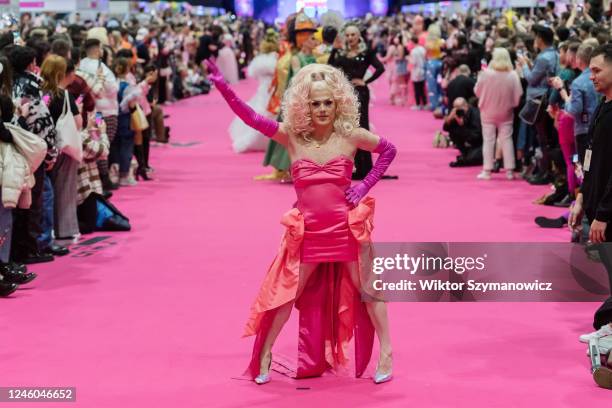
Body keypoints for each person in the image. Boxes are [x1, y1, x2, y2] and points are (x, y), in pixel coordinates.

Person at [206, 59, 396, 385]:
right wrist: (224, 87)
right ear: (305, 105)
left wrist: (364, 185)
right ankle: (265, 353)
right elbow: (251, 118)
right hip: (309, 232)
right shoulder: (292, 136)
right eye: (315, 102)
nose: (322, 108)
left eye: (328, 102)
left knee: (369, 291)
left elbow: (389, 151)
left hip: (346, 229)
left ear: (338, 103)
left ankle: (387, 352)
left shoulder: (351, 135)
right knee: (287, 294)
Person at [569, 44, 612, 390]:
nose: (591, 76)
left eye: (597, 70)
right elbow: (592, 156)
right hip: (596, 201)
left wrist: (604, 214)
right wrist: (582, 197)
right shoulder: (601, 106)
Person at [329, 23, 385, 180]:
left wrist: (366, 81)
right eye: (347, 35)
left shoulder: (366, 52)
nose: (350, 38)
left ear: (358, 36)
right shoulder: (341, 53)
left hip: (360, 94)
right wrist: (334, 49)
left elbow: (380, 68)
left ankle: (366, 168)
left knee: (361, 128)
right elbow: (329, 67)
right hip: (345, 94)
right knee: (346, 129)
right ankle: (353, 166)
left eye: (353, 35)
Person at [516, 25, 559, 185]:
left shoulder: (543, 57)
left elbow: (532, 79)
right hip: (546, 98)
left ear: (540, 39)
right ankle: (545, 170)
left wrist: (524, 66)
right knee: (544, 138)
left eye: (535, 37)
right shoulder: (554, 53)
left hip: (538, 100)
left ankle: (545, 171)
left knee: (542, 138)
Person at [474, 48, 523, 180]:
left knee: (488, 140)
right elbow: (518, 94)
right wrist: (512, 104)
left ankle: (487, 170)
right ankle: (510, 171)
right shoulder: (513, 75)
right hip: (506, 112)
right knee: (506, 140)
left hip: (487, 111)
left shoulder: (486, 74)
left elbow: (477, 91)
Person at [229, 29, 278, 153]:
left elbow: (252, 73)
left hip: (263, 89)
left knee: (260, 113)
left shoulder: (259, 60)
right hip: (274, 89)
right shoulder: (278, 58)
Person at [444, 97, 483, 167]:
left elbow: (476, 136)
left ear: (466, 106)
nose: (459, 111)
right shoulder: (457, 114)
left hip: (479, 143)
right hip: (467, 142)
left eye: (460, 109)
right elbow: (446, 128)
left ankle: (468, 155)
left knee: (471, 159)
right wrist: (449, 118)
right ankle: (465, 153)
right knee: (453, 129)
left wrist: (462, 126)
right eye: (456, 109)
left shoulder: (475, 114)